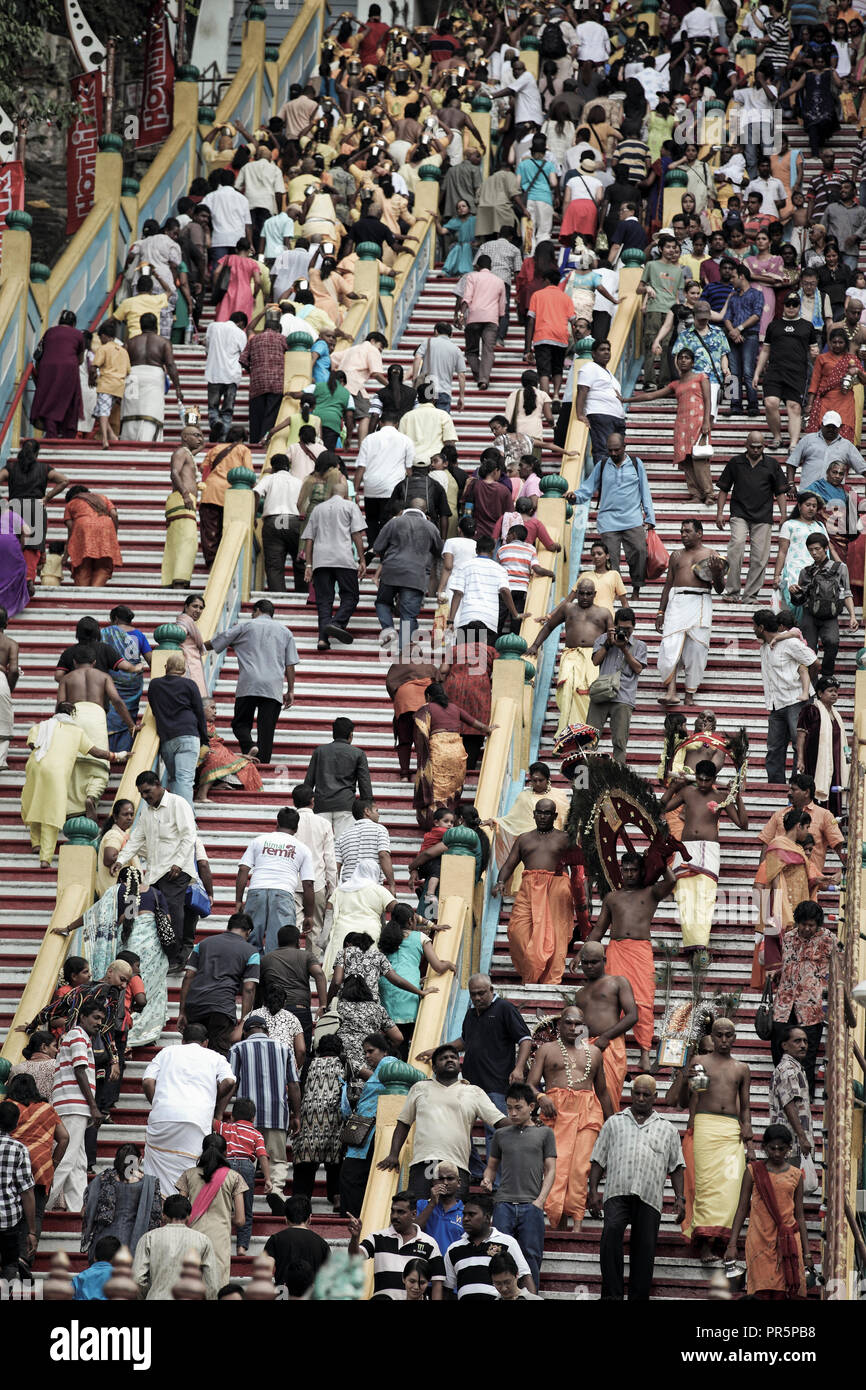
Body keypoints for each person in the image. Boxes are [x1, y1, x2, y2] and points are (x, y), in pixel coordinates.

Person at [588, 1074, 686, 1301]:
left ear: (655, 1096)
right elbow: (598, 1159)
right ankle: (612, 1295)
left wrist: (680, 1198)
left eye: (645, 1094)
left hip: (649, 1196)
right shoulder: (614, 1122)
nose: (640, 1098)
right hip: (617, 1191)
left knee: (644, 1249)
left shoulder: (668, 1129)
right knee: (611, 1234)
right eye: (636, 1093)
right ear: (631, 1094)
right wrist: (593, 1191)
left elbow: (677, 1166)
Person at [378, 1044, 508, 1200]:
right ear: (434, 1067)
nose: (449, 1060)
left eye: (453, 1057)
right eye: (443, 1058)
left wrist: (525, 1126)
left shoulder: (473, 1092)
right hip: (424, 1162)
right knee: (419, 1215)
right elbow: (404, 1123)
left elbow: (499, 1122)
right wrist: (393, 1155)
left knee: (452, 1217)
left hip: (457, 1166)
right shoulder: (420, 1088)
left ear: (459, 1066)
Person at [527, 1006, 613, 1232]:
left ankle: (577, 1223)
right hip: (555, 1111)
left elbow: (602, 1091)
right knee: (556, 1165)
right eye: (569, 1023)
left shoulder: (594, 1052)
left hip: (587, 1112)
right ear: (560, 1024)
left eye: (578, 1024)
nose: (573, 1028)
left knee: (579, 1169)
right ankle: (557, 1220)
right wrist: (541, 1096)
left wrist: (613, 1123)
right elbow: (530, 1084)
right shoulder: (547, 1049)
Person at [588, 852, 676, 1072]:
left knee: (643, 1001)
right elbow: (599, 928)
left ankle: (645, 1053)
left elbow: (672, 881)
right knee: (612, 999)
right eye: (625, 869)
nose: (629, 874)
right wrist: (583, 953)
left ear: (641, 871)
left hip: (640, 951)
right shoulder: (612, 897)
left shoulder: (651, 893)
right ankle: (613, 1049)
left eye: (634, 870)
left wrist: (660, 862)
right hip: (616, 950)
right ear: (620, 870)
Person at [686, 1017, 755, 1262]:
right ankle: (704, 1245)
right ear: (712, 1038)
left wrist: (748, 1132)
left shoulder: (741, 1068)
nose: (724, 1040)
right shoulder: (700, 1061)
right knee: (706, 1188)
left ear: (735, 1037)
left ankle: (717, 1241)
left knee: (729, 1188)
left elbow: (745, 1106)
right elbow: (694, 1095)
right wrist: (689, 1074)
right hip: (706, 1125)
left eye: (729, 1035)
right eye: (719, 1035)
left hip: (731, 1130)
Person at [663, 760, 749, 956]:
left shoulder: (721, 796)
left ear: (714, 779)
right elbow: (663, 807)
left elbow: (743, 824)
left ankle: (700, 945)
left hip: (708, 850)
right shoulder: (687, 792)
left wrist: (738, 797)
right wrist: (675, 787)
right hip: (686, 848)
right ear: (696, 776)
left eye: (706, 780)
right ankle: (691, 944)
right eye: (699, 779)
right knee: (684, 897)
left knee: (705, 897)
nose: (702, 783)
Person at [21, 701, 122, 868]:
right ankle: (45, 857)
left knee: (34, 803)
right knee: (51, 811)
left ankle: (35, 843)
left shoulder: (43, 725)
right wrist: (117, 756)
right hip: (57, 772)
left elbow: (32, 744)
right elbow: (96, 752)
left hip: (35, 767)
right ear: (73, 715)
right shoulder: (77, 731)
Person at [141, 1023, 236, 1196]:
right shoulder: (215, 1057)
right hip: (197, 1118)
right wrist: (213, 1097)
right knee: (189, 1170)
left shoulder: (167, 1052)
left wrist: (156, 1103)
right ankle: (182, 1214)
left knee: (156, 1174)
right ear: (206, 1042)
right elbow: (229, 1081)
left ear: (182, 1041)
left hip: (162, 1116)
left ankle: (159, 1213)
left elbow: (147, 1081)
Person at [115, 770, 198, 965]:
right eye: (141, 793)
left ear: (158, 785)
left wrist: (178, 862)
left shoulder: (178, 803)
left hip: (176, 870)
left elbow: (189, 836)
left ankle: (175, 957)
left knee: (172, 912)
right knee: (155, 913)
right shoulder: (146, 811)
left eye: (147, 791)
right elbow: (136, 839)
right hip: (154, 873)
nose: (144, 797)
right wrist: (121, 860)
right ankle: (159, 954)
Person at [481, 1082, 556, 1289]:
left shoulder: (545, 1134)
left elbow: (551, 1169)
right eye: (509, 1108)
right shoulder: (500, 1135)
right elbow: (491, 1167)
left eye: (518, 1108)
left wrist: (540, 1201)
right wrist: (487, 1179)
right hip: (503, 1202)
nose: (512, 1113)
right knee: (498, 1254)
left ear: (532, 1107)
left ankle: (529, 1295)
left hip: (531, 1204)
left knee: (531, 1254)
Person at [206, 599, 299, 765]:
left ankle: (249, 746)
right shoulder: (285, 632)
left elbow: (219, 640)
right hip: (273, 687)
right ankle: (262, 764)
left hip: (249, 684)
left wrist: (197, 645)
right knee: (267, 729)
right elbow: (290, 664)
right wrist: (291, 690)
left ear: (257, 610)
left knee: (240, 723)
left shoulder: (245, 626)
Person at [493, 800, 575, 986]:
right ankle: (530, 973)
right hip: (529, 887)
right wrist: (499, 882)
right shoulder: (524, 838)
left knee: (555, 935)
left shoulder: (565, 838)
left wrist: (579, 895)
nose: (542, 816)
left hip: (556, 887)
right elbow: (509, 864)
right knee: (517, 931)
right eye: (539, 812)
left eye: (547, 813)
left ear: (554, 816)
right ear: (534, 814)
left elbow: (577, 866)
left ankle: (549, 981)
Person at [725, 1124, 812, 1298]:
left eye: (782, 1149)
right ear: (764, 1147)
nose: (777, 1153)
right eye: (772, 1148)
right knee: (761, 1292)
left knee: (785, 1293)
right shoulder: (753, 1171)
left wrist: (807, 1252)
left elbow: (800, 1216)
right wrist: (732, 1244)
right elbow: (742, 1208)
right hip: (760, 1241)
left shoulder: (796, 1175)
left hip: (788, 1241)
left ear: (789, 1148)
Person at [225, 1016, 300, 1207]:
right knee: (276, 1159)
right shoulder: (284, 1049)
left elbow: (231, 1083)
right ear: (266, 1031)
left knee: (245, 1157)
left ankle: (241, 1197)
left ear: (246, 1032)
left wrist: (221, 1110)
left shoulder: (237, 1049)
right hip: (277, 1113)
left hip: (246, 1117)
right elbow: (293, 1084)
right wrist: (296, 1114)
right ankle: (275, 1189)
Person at [571, 435, 656, 600]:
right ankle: (616, 594)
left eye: (617, 449)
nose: (613, 453)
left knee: (639, 552)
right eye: (610, 450)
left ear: (625, 446)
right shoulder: (602, 465)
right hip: (608, 522)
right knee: (611, 561)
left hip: (633, 519)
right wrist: (574, 497)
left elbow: (645, 490)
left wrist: (650, 517)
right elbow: (587, 488)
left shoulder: (636, 463)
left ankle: (636, 589)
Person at [625, 349, 713, 504]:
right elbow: (651, 395)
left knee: (699, 458)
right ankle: (696, 495)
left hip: (698, 423)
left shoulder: (701, 377)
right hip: (682, 425)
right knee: (685, 460)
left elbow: (708, 400)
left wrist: (707, 422)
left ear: (693, 362)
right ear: (677, 362)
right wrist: (626, 400)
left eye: (687, 358)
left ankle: (709, 494)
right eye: (681, 358)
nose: (683, 360)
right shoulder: (675, 384)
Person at [656, 519, 727, 706]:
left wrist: (717, 573)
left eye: (687, 531)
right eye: (681, 531)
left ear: (700, 533)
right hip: (676, 601)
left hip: (700, 601)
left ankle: (689, 693)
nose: (683, 535)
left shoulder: (711, 554)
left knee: (697, 648)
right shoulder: (676, 555)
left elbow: (719, 589)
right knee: (670, 646)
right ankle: (671, 692)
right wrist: (660, 611)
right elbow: (668, 585)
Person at [45, 998, 106, 1214]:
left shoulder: (76, 1036)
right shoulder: (79, 1036)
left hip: (71, 1104)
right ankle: (44, 1204)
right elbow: (80, 1070)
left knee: (79, 1162)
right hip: (74, 1105)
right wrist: (94, 1107)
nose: (99, 1023)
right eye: (96, 1018)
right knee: (67, 1158)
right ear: (82, 1017)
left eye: (101, 1019)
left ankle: (76, 1206)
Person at [527, 578, 611, 733]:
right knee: (566, 688)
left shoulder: (604, 613)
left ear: (595, 594)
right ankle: (566, 728)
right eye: (582, 593)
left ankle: (587, 730)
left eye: (588, 594)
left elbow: (611, 639)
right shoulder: (568, 608)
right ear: (576, 593)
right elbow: (549, 627)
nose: (585, 597)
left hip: (593, 658)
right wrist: (534, 645)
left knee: (586, 693)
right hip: (571, 655)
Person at [770, 900, 834, 1099]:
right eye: (803, 924)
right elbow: (788, 963)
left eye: (811, 925)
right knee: (779, 1049)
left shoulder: (828, 939)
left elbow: (840, 967)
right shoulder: (788, 937)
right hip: (784, 1003)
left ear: (818, 924)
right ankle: (782, 1093)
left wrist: (825, 985)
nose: (807, 928)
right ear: (797, 922)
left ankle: (804, 1097)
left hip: (811, 1006)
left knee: (807, 1055)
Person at [716, 434, 788, 604]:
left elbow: (780, 492)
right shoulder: (735, 462)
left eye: (759, 447)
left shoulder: (772, 464)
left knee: (760, 557)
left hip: (763, 515)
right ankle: (732, 591)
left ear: (764, 446)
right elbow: (724, 489)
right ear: (745, 445)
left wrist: (783, 515)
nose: (756, 450)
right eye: (752, 446)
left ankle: (750, 595)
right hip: (739, 513)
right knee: (736, 547)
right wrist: (720, 512)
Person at [413, 681, 496, 828]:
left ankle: (434, 823)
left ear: (429, 696)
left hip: (438, 750)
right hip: (458, 751)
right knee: (452, 789)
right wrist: (489, 729)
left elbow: (420, 730)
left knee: (436, 789)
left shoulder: (427, 708)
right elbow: (476, 724)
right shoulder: (454, 708)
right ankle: (450, 821)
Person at [177, 913, 261, 1058]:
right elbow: (249, 988)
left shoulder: (202, 944)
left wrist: (182, 1011)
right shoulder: (251, 952)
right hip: (221, 1010)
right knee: (218, 1057)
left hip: (195, 1005)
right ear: (249, 932)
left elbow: (188, 977)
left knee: (191, 1054)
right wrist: (243, 1022)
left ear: (228, 927)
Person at [234, 807, 315, 955]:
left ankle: (252, 974)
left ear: (277, 824)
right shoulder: (303, 849)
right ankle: (272, 976)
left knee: (250, 940)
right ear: (296, 828)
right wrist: (309, 915)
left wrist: (238, 900)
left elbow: (243, 870)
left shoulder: (259, 841)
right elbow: (308, 884)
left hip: (256, 892)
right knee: (280, 945)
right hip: (283, 895)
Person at [753, 610, 817, 785]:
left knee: (799, 745)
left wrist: (808, 685)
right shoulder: (765, 646)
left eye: (754, 626)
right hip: (776, 704)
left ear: (761, 627)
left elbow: (813, 662)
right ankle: (775, 786)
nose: (753, 629)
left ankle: (799, 785)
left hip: (797, 700)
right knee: (774, 748)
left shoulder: (789, 643)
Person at [572, 942, 638, 1110]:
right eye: (585, 962)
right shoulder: (580, 993)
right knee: (586, 1097)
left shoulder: (618, 982)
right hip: (586, 1047)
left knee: (608, 1094)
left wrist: (605, 1038)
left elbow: (632, 1016)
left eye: (594, 962)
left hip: (610, 1045)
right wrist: (578, 1049)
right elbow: (578, 1024)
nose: (589, 966)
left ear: (604, 960)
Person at [301, 477, 366, 650]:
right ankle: (337, 623)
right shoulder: (350, 506)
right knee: (351, 596)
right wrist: (362, 558)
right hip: (343, 559)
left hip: (321, 561)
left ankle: (323, 640)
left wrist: (309, 565)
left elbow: (309, 539)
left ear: (330, 493)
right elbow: (357, 535)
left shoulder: (318, 509)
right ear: (345, 494)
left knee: (324, 601)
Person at [175, 1133, 247, 1287]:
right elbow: (241, 1220)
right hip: (219, 1239)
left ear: (203, 1151)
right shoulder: (234, 1177)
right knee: (217, 1285)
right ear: (225, 1153)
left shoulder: (188, 1175)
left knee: (190, 1286)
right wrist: (224, 1217)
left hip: (192, 1235)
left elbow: (180, 1211)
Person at [372, 495, 444, 648]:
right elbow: (439, 550)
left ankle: (388, 628)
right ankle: (403, 651)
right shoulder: (430, 527)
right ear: (425, 511)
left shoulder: (394, 522)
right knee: (408, 615)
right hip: (416, 576)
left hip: (391, 571)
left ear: (406, 508)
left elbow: (378, 546)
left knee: (383, 602)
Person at [347, 1190, 446, 1299]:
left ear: (413, 1214)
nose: (394, 1216)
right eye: (392, 1211)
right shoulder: (378, 1237)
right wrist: (355, 1237)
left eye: (400, 1212)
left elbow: (437, 1283)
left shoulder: (430, 1243)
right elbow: (354, 1257)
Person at [789, 531, 858, 678]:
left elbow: (847, 593)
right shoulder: (805, 572)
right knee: (808, 649)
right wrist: (793, 592)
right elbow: (800, 601)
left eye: (817, 549)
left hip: (830, 614)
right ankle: (810, 683)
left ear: (825, 548)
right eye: (810, 550)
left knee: (832, 642)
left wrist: (852, 616)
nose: (814, 553)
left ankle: (827, 678)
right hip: (810, 614)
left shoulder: (840, 568)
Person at [443, 1192, 535, 1299]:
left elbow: (525, 1278)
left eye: (471, 1214)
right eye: (464, 1214)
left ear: (487, 1217)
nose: (466, 1219)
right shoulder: (453, 1249)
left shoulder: (508, 1243)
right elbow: (447, 1290)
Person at [80, 1142, 161, 1263]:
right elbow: (155, 1217)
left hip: (104, 1241)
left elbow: (85, 1212)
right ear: (139, 1160)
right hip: (134, 1242)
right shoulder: (149, 1183)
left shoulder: (103, 1178)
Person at [585, 606, 647, 764]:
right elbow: (595, 661)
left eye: (628, 629)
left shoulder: (640, 646)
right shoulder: (603, 639)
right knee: (589, 739)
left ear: (634, 626)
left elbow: (638, 668)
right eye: (621, 628)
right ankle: (583, 781)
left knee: (620, 742)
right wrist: (608, 643)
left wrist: (624, 649)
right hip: (601, 695)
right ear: (614, 626)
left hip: (623, 698)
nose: (624, 632)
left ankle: (618, 780)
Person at [147, 652, 209, 806]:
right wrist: (205, 739)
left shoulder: (155, 684)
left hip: (167, 737)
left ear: (166, 667)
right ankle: (187, 819)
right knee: (185, 779)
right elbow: (199, 713)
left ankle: (177, 817)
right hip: (188, 734)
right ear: (183, 670)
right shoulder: (190, 684)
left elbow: (154, 709)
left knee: (174, 779)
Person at [132, 1192, 220, 1300]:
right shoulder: (203, 1240)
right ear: (189, 1216)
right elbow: (212, 1284)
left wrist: (148, 1295)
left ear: (163, 1215)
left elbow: (137, 1279)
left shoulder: (148, 1238)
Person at [302, 717, 373, 839]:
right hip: (346, 805)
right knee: (344, 844)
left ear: (333, 734)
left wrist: (304, 803)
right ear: (351, 735)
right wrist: (369, 805)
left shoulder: (320, 751)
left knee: (320, 843)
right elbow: (364, 784)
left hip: (321, 804)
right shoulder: (358, 753)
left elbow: (309, 781)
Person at [354, 414, 415, 552]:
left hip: (371, 488)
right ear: (397, 424)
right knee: (390, 520)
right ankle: (387, 549)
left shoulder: (369, 439)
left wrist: (354, 491)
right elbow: (409, 468)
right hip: (393, 488)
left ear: (380, 423)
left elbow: (361, 467)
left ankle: (373, 545)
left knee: (372, 520)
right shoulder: (406, 440)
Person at [120, 312, 183, 442]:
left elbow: (121, 364)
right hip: (154, 377)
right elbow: (170, 365)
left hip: (133, 376)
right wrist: (177, 388)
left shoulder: (130, 342)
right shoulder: (164, 342)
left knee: (131, 411)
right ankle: (148, 441)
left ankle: (129, 441)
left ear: (140, 326)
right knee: (151, 412)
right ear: (156, 325)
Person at [795, 677, 849, 816]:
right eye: (830, 691)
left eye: (836, 692)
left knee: (833, 794)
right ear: (819, 693)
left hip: (834, 763)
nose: (834, 694)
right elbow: (801, 735)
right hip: (815, 762)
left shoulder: (836, 715)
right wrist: (800, 759)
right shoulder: (810, 710)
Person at [29, 309, 85, 438]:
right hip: (68, 369)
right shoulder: (78, 334)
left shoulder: (50, 332)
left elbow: (39, 352)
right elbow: (80, 359)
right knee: (68, 399)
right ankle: (66, 434)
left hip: (47, 368)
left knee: (49, 398)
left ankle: (52, 432)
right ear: (74, 323)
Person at [805, 327, 866, 441]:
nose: (837, 345)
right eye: (834, 342)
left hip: (845, 400)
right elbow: (814, 382)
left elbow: (864, 380)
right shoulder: (822, 358)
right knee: (823, 434)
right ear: (830, 343)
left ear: (845, 343)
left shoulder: (852, 359)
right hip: (825, 401)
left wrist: (857, 371)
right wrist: (809, 404)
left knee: (844, 431)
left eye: (840, 342)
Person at [769, 1026, 815, 1171]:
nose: (803, 1045)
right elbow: (789, 1105)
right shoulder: (788, 1069)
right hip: (789, 1144)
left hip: (792, 1143)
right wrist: (802, 1137)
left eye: (805, 1041)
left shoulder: (795, 1068)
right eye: (797, 1041)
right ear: (784, 1046)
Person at [722, 264, 765, 416]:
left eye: (733, 276)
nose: (731, 280)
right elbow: (726, 317)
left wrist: (738, 329)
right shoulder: (733, 296)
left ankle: (753, 404)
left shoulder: (756, 294)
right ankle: (734, 404)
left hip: (750, 335)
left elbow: (756, 315)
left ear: (742, 276)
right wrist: (733, 331)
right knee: (733, 372)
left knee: (747, 371)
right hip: (733, 336)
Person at [785, 413, 866, 493]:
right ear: (821, 425)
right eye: (828, 426)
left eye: (834, 427)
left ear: (840, 427)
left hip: (833, 495)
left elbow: (863, 468)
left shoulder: (847, 446)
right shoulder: (808, 440)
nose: (831, 429)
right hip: (808, 494)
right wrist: (791, 484)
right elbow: (792, 463)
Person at [0, 1100, 36, 1281]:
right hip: (9, 1220)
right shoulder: (19, 1149)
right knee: (9, 1264)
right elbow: (27, 1192)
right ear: (15, 1124)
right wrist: (32, 1231)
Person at [263, 1194, 330, 1289]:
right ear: (310, 1218)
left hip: (283, 1294)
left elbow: (266, 1273)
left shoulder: (275, 1239)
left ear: (286, 1219)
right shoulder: (322, 1244)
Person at [62, 484, 122, 588]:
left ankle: (83, 594)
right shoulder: (102, 498)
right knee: (103, 566)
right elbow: (114, 514)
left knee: (83, 566)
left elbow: (71, 531)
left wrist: (66, 556)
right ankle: (95, 590)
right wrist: (113, 534)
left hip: (83, 530)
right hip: (106, 529)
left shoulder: (71, 503)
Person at [204, 311, 248, 442]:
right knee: (227, 410)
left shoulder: (213, 327)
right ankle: (223, 438)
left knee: (213, 406)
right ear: (240, 323)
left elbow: (207, 347)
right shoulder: (241, 333)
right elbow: (244, 355)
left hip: (214, 373)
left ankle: (215, 422)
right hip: (232, 375)